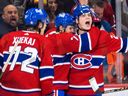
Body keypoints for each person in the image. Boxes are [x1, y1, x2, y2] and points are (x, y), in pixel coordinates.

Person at [52, 5, 128, 96]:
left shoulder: (102, 38)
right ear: (76, 21)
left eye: (89, 15)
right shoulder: (68, 39)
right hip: (72, 93)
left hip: (93, 93)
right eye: (83, 16)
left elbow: (125, 44)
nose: (87, 17)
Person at [0, 8, 54, 96]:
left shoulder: (8, 37)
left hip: (6, 91)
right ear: (40, 25)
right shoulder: (43, 41)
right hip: (30, 92)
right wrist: (48, 93)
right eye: (44, 25)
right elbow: (46, 73)